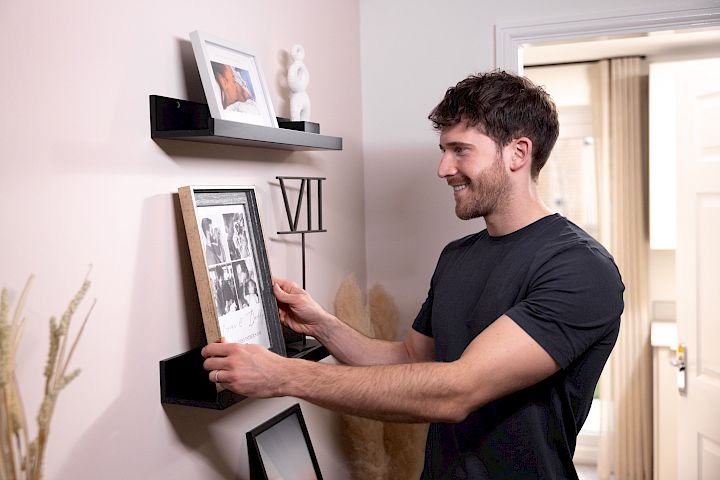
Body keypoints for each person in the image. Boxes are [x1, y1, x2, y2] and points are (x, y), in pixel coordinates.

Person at [202, 71, 624, 479]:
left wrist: (283, 375)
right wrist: (321, 325)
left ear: (517, 153)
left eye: (460, 150)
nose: (443, 168)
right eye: (444, 150)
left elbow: (458, 390)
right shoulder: (457, 256)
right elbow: (410, 360)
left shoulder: (580, 268)